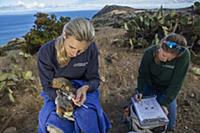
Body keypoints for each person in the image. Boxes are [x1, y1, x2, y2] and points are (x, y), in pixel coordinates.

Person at [37, 18, 111, 133]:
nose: (75, 54)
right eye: (72, 47)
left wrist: (85, 88)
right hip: (56, 91)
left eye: (81, 51)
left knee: (87, 116)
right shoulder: (46, 52)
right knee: (54, 122)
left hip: (83, 88)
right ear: (65, 35)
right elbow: (47, 86)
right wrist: (60, 99)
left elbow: (94, 80)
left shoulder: (91, 49)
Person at [134, 33, 190, 131]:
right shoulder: (149, 53)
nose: (165, 59)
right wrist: (140, 91)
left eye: (169, 58)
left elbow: (176, 84)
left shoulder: (184, 56)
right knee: (141, 117)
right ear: (160, 46)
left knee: (169, 125)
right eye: (163, 55)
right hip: (151, 86)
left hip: (167, 89)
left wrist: (164, 103)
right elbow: (143, 75)